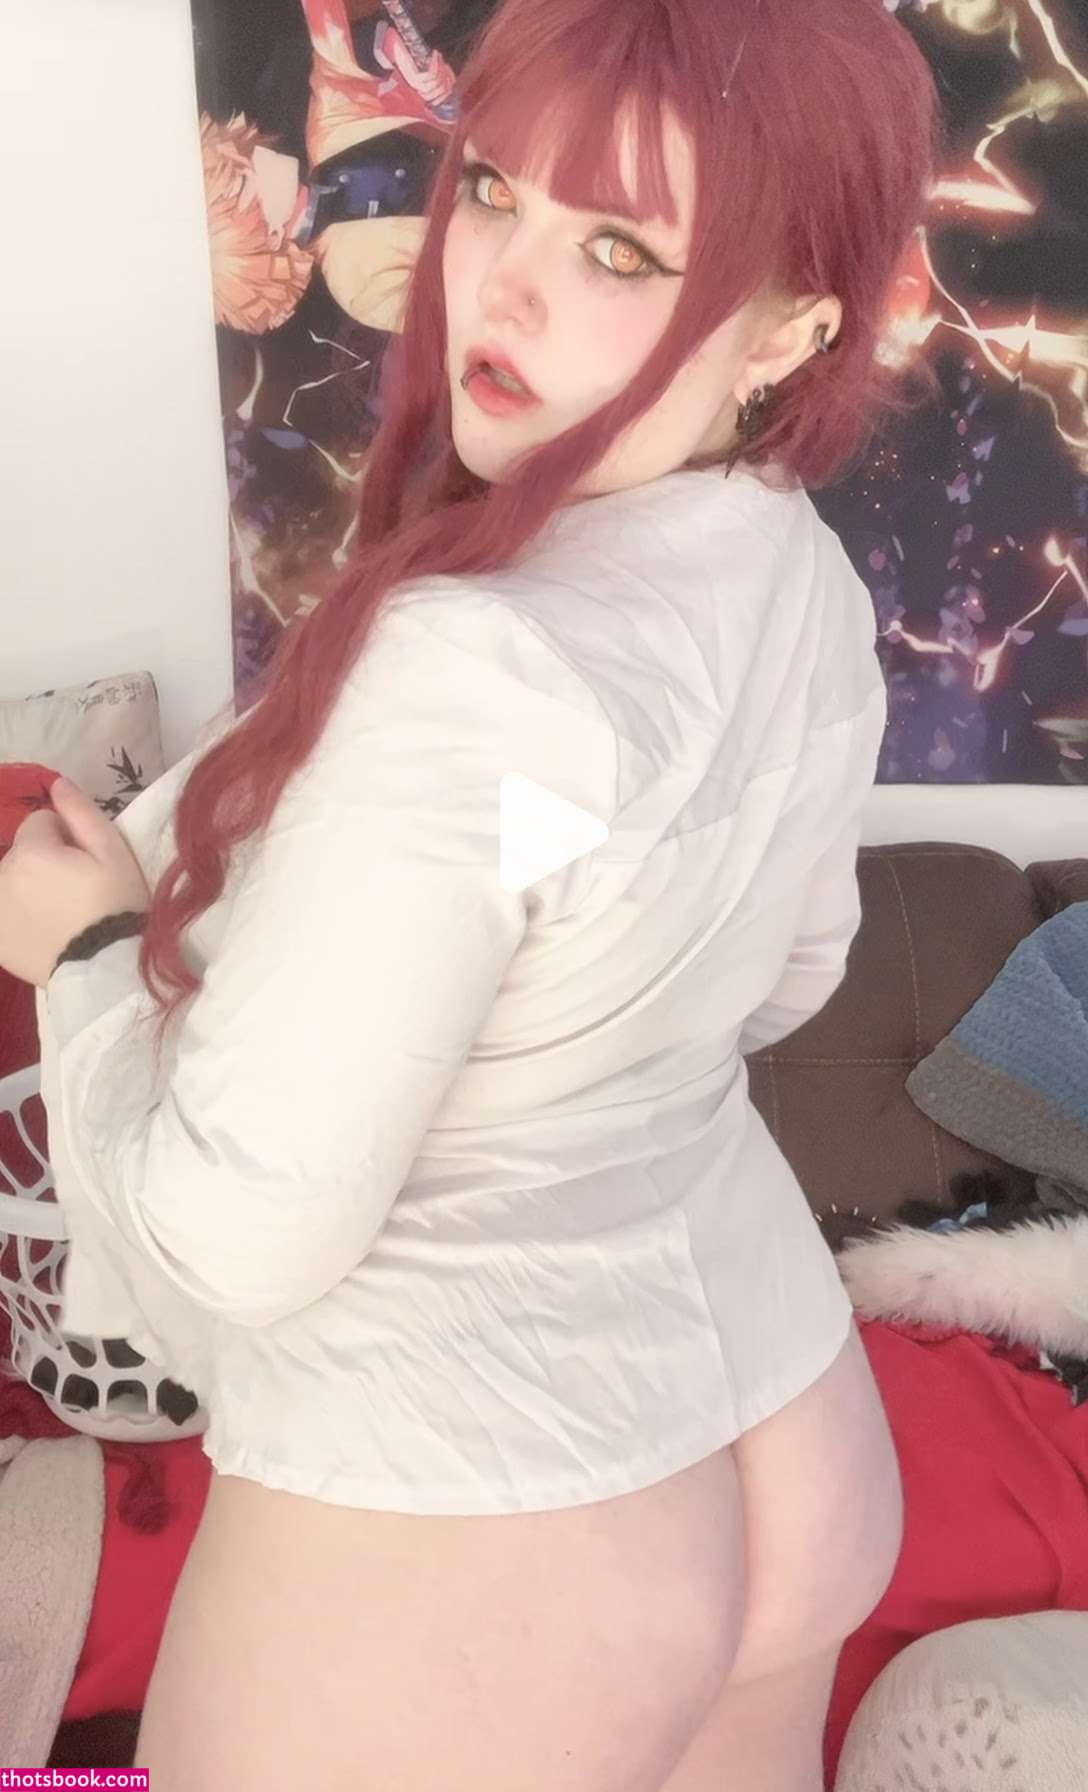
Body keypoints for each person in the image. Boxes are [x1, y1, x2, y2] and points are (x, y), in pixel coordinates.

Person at [0, 0, 939, 1785]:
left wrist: (90, 951)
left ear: (792, 329)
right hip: (772, 1409)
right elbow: (788, 970)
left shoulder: (477, 673)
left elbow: (238, 1239)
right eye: (495, 190)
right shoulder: (796, 578)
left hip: (480, 1516)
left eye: (619, 251)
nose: (499, 284)